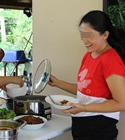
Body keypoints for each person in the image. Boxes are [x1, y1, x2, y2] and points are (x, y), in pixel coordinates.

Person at [48, 10, 125, 140]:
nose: (85, 40)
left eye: (89, 35)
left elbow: (121, 103)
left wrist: (84, 107)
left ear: (105, 34)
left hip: (99, 131)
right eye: (82, 34)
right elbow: (86, 90)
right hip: (82, 127)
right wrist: (57, 82)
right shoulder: (89, 55)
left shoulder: (110, 60)